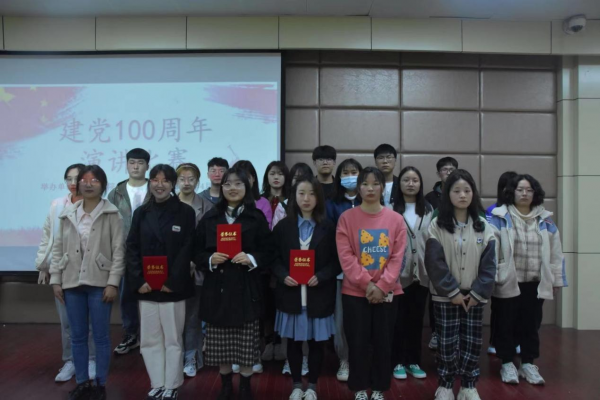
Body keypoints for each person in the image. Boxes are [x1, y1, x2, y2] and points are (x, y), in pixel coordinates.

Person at [195, 167, 273, 400]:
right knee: (221, 344)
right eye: (227, 184)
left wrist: (251, 258)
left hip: (246, 287)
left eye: (238, 184)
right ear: (221, 188)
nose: (232, 188)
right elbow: (195, 250)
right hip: (217, 288)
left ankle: (246, 386)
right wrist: (210, 259)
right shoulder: (210, 217)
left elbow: (269, 251)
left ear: (246, 187)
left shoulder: (256, 217)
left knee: (245, 343)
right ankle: (226, 385)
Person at [50, 165, 125, 400]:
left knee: (101, 336)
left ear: (103, 185)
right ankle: (82, 382)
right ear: (77, 185)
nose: (88, 184)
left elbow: (119, 251)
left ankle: (100, 384)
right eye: (84, 180)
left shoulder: (112, 214)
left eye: (94, 180)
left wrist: (113, 283)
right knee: (77, 336)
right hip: (71, 282)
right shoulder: (67, 214)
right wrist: (56, 279)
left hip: (100, 282)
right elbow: (58, 248)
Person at [488, 174, 566, 386]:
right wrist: (493, 277)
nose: (524, 193)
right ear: (511, 192)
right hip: (507, 281)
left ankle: (528, 363)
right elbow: (491, 250)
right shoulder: (499, 217)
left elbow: (556, 253)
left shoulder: (545, 220)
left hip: (535, 282)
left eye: (529, 190)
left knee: (531, 325)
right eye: (520, 189)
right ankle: (506, 363)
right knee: (505, 323)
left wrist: (556, 280)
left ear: (535, 193)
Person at [336, 167, 407, 400]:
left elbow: (397, 257)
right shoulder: (347, 218)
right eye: (365, 184)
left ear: (383, 188)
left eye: (375, 184)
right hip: (355, 293)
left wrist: (382, 286)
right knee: (357, 342)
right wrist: (368, 284)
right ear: (358, 188)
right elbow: (346, 257)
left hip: (388, 292)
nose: (370, 188)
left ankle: (378, 388)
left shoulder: (396, 219)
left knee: (383, 343)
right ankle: (359, 388)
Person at [126, 164, 196, 400]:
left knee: (173, 338)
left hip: (172, 287)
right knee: (150, 339)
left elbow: (187, 249)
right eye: (155, 180)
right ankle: (157, 382)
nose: (159, 184)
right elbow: (132, 247)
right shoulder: (141, 213)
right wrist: (138, 280)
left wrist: (172, 281)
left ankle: (172, 384)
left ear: (173, 184)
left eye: (165, 180)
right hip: (146, 287)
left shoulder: (185, 212)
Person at [425, 169, 496, 400]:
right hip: (446, 295)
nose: (462, 195)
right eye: (456, 191)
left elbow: (489, 266)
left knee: (472, 342)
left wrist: (477, 293)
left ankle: (468, 386)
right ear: (448, 194)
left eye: (467, 190)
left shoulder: (484, 226)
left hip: (475, 296)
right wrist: (452, 291)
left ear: (473, 193)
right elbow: (434, 263)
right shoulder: (437, 225)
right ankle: (445, 385)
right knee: (446, 342)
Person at [272, 176, 340, 400]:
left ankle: (311, 386)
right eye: (301, 193)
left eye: (311, 193)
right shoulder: (283, 227)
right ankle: (295, 386)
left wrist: (321, 276)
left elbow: (336, 261)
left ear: (318, 198)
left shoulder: (328, 227)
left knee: (316, 343)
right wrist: (283, 275)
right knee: (293, 342)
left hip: (318, 294)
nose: (306, 198)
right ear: (294, 197)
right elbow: (273, 258)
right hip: (291, 293)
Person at [36, 163, 97, 383]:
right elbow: (48, 237)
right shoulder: (57, 205)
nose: (72, 183)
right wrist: (44, 266)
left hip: (90, 270)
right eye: (68, 179)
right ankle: (70, 360)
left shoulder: (96, 204)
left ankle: (91, 359)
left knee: (90, 320)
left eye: (76, 179)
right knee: (67, 321)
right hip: (63, 270)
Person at [108, 148, 151, 355]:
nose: (136, 166)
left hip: (152, 252)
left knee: (152, 294)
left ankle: (150, 337)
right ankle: (131, 334)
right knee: (127, 296)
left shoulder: (156, 188)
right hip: (124, 252)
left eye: (140, 163)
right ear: (126, 165)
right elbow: (108, 223)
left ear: (147, 166)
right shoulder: (116, 192)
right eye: (132, 162)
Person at [391, 166, 433, 381]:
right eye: (406, 180)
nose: (410, 184)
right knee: (397, 320)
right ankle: (397, 361)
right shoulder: (390, 208)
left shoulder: (429, 209)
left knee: (416, 320)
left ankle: (413, 361)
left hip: (422, 273)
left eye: (415, 180)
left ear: (420, 184)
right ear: (399, 184)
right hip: (397, 274)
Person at [324, 158, 363, 382]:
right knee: (342, 319)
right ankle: (344, 359)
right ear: (338, 177)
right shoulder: (331, 203)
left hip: (369, 271)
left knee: (364, 320)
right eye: (345, 172)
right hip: (341, 271)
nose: (350, 176)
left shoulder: (368, 201)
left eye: (354, 172)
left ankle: (363, 360)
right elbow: (330, 237)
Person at [176, 163, 214, 378]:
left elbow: (208, 241)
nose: (186, 183)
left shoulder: (207, 207)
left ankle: (191, 357)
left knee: (192, 317)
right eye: (182, 179)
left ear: (198, 181)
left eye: (191, 179)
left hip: (197, 270)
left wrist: (193, 262)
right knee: (174, 318)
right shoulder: (169, 205)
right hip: (172, 272)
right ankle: (175, 356)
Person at [424, 156, 458, 351]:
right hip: (438, 250)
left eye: (452, 168)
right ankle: (436, 332)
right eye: (445, 169)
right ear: (438, 173)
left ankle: (457, 335)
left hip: (460, 250)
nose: (449, 172)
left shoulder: (465, 193)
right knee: (436, 293)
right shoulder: (430, 198)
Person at [260, 161, 291, 363]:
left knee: (282, 303)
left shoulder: (292, 200)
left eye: (280, 173)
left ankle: (281, 342)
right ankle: (268, 341)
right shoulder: (260, 199)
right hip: (263, 262)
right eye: (272, 173)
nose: (276, 177)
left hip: (284, 260)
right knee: (266, 305)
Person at [484, 171, 518, 356]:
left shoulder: (523, 211)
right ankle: (495, 341)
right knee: (499, 309)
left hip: (520, 269)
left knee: (519, 310)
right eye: (507, 186)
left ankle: (516, 341)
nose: (510, 191)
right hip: (500, 268)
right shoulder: (492, 211)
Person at [234, 160, 273, 231]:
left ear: (253, 178)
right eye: (239, 179)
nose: (244, 182)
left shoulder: (264, 203)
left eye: (247, 178)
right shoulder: (228, 202)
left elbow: (266, 229)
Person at [272, 163, 314, 229]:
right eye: (296, 178)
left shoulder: (315, 203)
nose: (300, 182)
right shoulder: (282, 206)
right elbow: (276, 231)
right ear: (291, 180)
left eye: (303, 178)